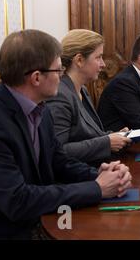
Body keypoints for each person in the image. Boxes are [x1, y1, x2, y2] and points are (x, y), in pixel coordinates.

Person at [0, 30, 132, 239]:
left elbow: (59, 160)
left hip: (43, 220)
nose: (62, 76)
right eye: (58, 70)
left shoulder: (41, 108)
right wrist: (96, 188)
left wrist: (100, 174)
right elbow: (17, 200)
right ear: (37, 78)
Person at [46, 29, 132, 166]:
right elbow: (58, 151)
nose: (103, 64)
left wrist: (115, 135)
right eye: (98, 57)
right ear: (79, 60)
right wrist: (107, 142)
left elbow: (89, 134)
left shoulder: (82, 90)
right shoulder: (60, 95)